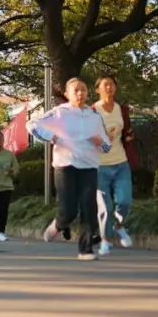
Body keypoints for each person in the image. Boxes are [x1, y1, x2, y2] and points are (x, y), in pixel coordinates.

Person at [28, 77, 109, 260]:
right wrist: (53, 137)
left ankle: (85, 250)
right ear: (67, 94)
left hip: (89, 166)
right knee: (69, 209)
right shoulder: (59, 112)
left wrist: (100, 142)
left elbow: (106, 146)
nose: (80, 93)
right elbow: (32, 125)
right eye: (76, 90)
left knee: (89, 207)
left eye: (84, 90)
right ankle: (58, 224)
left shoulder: (95, 116)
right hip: (66, 165)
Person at [94, 75, 136, 254]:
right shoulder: (92, 111)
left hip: (121, 163)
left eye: (112, 84)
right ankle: (105, 239)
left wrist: (128, 136)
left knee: (125, 201)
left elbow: (126, 130)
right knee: (105, 206)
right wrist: (102, 138)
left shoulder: (122, 109)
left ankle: (119, 226)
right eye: (105, 85)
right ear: (98, 90)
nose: (109, 88)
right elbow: (87, 136)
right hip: (100, 165)